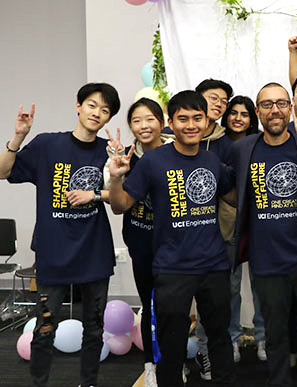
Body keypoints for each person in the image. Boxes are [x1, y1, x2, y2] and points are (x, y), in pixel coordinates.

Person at [108, 90, 235, 387]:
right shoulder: (153, 161)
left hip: (214, 266)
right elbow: (120, 205)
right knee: (171, 346)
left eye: (197, 118)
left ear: (206, 122)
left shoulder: (213, 162)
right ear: (171, 122)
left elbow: (235, 197)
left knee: (219, 338)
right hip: (171, 268)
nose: (190, 125)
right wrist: (115, 178)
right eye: (183, 119)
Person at [0, 82, 120, 387]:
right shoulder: (47, 145)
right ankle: (39, 382)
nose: (97, 113)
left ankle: (88, 382)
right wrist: (18, 136)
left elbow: (123, 199)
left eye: (105, 110)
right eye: (92, 105)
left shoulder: (108, 152)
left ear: (108, 119)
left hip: (94, 251)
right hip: (54, 251)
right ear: (78, 106)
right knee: (45, 329)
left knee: (94, 328)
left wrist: (97, 192)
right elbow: (3, 171)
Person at [230, 82, 297, 386]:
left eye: (280, 103)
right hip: (266, 263)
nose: (274, 110)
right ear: (257, 112)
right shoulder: (242, 150)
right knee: (276, 337)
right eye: (267, 104)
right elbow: (228, 190)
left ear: (290, 108)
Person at [103, 98, 173, 387]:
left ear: (161, 120)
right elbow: (117, 203)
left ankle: (172, 362)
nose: (144, 126)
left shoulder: (176, 152)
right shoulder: (125, 158)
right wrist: (116, 173)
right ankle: (151, 364)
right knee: (149, 304)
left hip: (174, 245)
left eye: (150, 119)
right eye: (136, 121)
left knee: (173, 308)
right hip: (142, 243)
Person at [220, 95, 267, 363]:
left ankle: (262, 337)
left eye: (245, 114)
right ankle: (233, 339)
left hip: (260, 223)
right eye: (233, 113)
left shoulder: (261, 143)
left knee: (262, 287)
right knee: (231, 288)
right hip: (229, 225)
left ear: (253, 118)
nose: (238, 118)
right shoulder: (218, 144)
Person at [193, 78, 234, 380]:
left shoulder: (227, 143)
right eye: (213, 97)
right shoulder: (173, 137)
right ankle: (173, 358)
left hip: (219, 232)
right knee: (175, 301)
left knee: (217, 300)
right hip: (179, 232)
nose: (219, 103)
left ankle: (208, 353)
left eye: (223, 100)